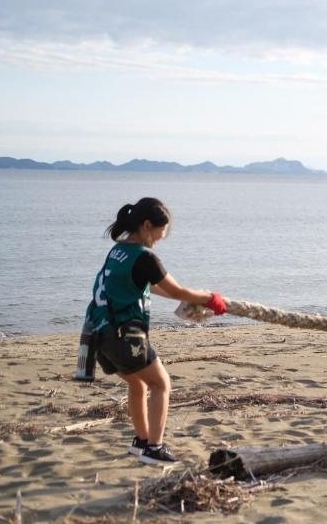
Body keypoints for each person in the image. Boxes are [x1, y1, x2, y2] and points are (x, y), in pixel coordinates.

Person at [83, 197, 228, 464]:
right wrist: (210, 298)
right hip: (124, 335)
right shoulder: (145, 257)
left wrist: (190, 300)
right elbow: (177, 290)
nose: (161, 239)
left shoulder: (118, 251)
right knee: (161, 383)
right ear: (147, 225)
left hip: (100, 334)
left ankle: (141, 442)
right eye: (161, 233)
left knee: (138, 384)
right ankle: (154, 448)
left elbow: (152, 287)